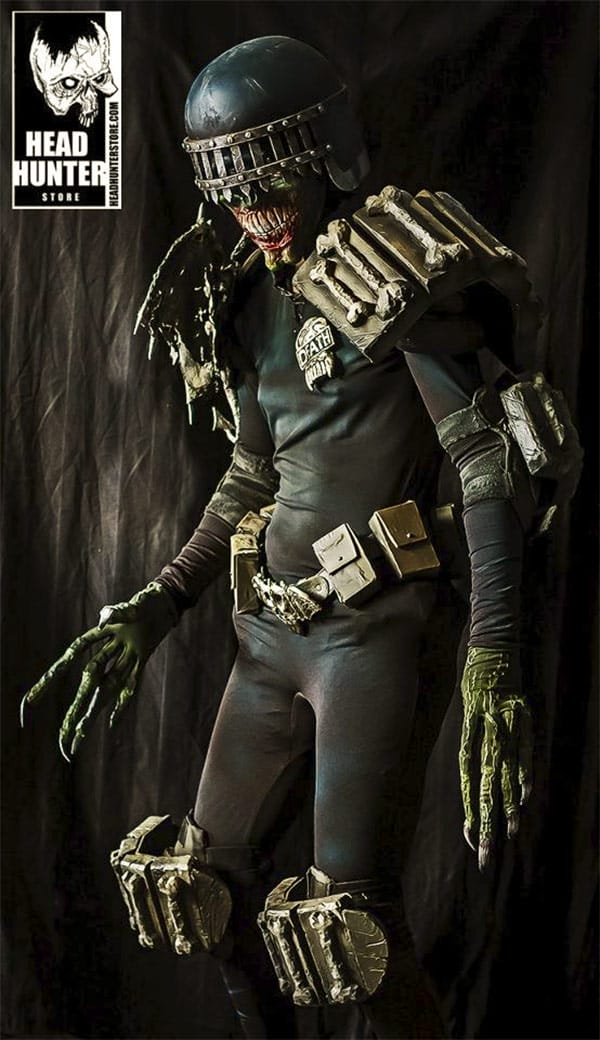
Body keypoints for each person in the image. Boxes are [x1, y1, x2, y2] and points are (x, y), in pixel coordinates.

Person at [22, 35, 581, 1040]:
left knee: (349, 933)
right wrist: (158, 603)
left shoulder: (396, 277)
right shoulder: (243, 294)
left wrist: (493, 656)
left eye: (268, 182)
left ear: (325, 156)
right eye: (233, 192)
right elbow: (251, 473)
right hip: (268, 638)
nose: (254, 212)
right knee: (199, 890)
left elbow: (484, 458)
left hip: (376, 635)